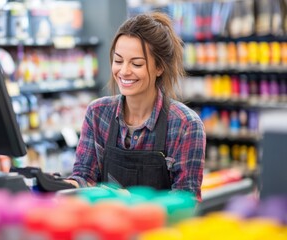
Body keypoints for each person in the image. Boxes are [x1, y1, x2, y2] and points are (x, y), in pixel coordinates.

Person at [65, 11, 206, 201]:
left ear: (159, 67)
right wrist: (63, 187)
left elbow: (186, 202)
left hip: (161, 230)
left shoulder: (185, 125)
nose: (124, 71)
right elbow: (84, 177)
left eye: (136, 64)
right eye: (118, 61)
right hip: (108, 227)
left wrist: (130, 202)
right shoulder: (98, 113)